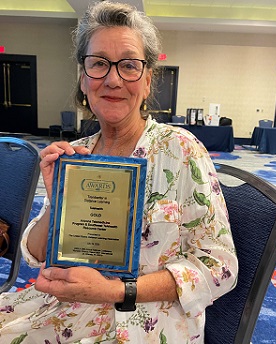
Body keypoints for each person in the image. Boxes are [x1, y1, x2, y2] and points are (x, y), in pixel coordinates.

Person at [0, 2, 238, 343]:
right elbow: (34, 256)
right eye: (98, 64)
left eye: (128, 65)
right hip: (64, 307)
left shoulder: (181, 150)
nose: (112, 79)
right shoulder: (77, 155)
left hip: (143, 320)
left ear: (146, 80)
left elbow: (220, 268)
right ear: (83, 79)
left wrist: (115, 290)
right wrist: (57, 201)